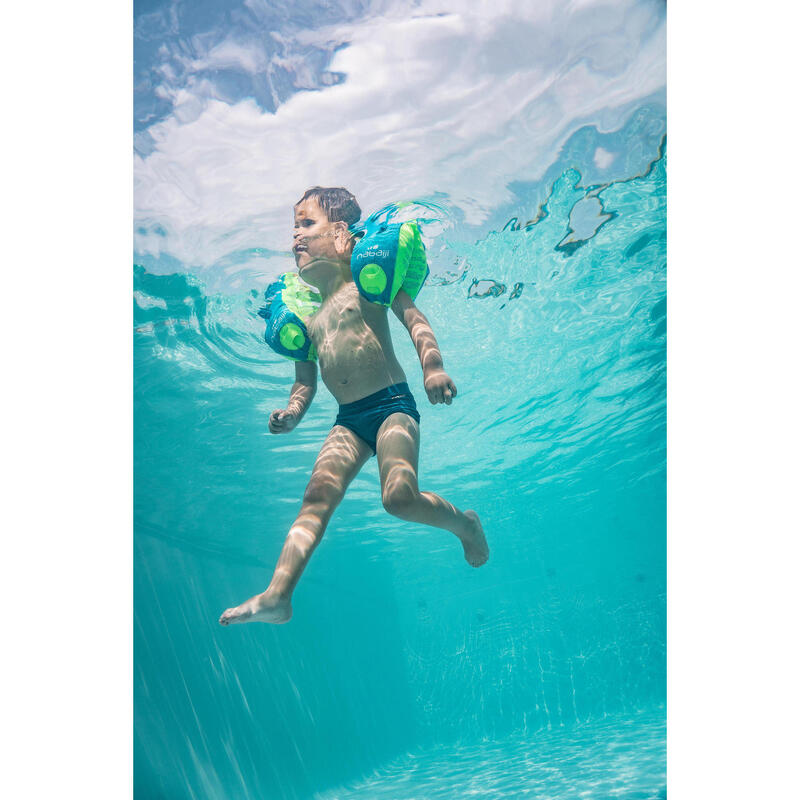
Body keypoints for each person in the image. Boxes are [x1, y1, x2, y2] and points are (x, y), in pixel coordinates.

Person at [219, 187, 489, 625]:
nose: (295, 237)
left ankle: (466, 525)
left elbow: (415, 321)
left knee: (398, 499)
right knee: (315, 499)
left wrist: (433, 368)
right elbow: (304, 381)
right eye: (294, 227)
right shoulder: (309, 315)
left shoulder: (368, 287)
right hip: (348, 421)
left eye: (307, 224)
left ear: (343, 234)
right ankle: (277, 595)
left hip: (391, 406)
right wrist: (292, 412)